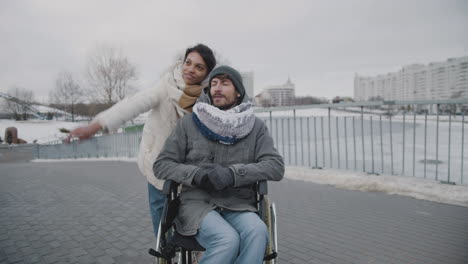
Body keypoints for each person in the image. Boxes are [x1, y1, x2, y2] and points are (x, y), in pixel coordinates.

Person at [65, 44, 217, 239]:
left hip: (188, 173)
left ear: (207, 73)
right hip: (159, 167)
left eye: (199, 67)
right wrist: (95, 126)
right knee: (162, 228)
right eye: (188, 63)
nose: (190, 69)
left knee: (192, 227)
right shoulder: (165, 86)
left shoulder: (208, 98)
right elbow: (133, 104)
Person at [153, 65, 284, 263]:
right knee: (227, 239)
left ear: (238, 91)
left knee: (258, 232)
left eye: (224, 83)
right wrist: (196, 174)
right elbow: (162, 164)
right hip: (197, 204)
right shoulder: (189, 124)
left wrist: (234, 174)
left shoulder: (255, 127)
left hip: (238, 203)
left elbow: (275, 166)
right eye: (213, 83)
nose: (217, 88)